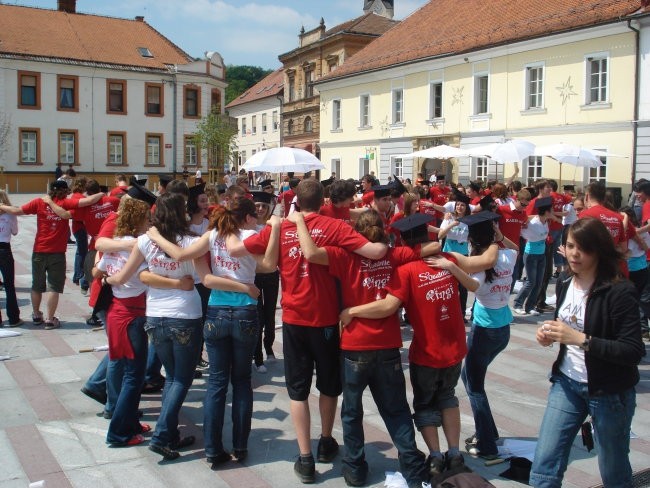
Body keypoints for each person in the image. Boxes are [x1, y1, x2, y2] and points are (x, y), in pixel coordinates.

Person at [229, 179, 388, 484]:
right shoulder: (335, 226)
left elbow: (235, 248)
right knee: (329, 386)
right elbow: (373, 252)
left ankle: (305, 458)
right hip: (327, 320)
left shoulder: (282, 227)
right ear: (322, 200)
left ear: (297, 202)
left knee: (297, 391)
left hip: (294, 321)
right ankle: (326, 441)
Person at [289, 209, 441, 488]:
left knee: (352, 412)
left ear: (356, 233)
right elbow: (433, 246)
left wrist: (299, 221)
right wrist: (394, 240)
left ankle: (355, 469)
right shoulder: (393, 255)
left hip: (354, 346)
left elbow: (309, 253)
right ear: (380, 232)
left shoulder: (343, 255)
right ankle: (413, 466)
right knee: (396, 410)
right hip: (388, 346)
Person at [339, 213, 484, 483]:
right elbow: (474, 277)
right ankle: (436, 457)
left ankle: (363, 467)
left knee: (356, 410)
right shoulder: (427, 259)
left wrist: (350, 311)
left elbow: (388, 305)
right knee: (419, 404)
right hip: (434, 348)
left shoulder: (396, 267)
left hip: (389, 348)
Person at [530, 218, 644, 487]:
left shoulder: (619, 291)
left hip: (609, 392)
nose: (574, 254)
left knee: (613, 471)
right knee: (544, 465)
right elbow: (565, 325)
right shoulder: (565, 281)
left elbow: (632, 350)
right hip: (567, 384)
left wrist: (581, 340)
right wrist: (548, 336)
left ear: (599, 250)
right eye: (569, 246)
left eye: (583, 248)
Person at [106, 193, 203, 460]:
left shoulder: (145, 241)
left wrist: (106, 278)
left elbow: (127, 276)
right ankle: (162, 435)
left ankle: (170, 435)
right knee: (180, 379)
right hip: (185, 314)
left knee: (172, 377)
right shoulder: (192, 241)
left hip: (155, 315)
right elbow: (200, 273)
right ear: (180, 213)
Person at [0, 181, 103, 329]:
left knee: (36, 285)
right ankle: (49, 319)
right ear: (64, 191)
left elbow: (17, 211)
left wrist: (1, 206)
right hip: (57, 252)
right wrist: (102, 193)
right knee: (54, 287)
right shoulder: (66, 203)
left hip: (39, 251)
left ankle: (36, 315)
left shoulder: (39, 202)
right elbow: (89, 200)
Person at [458, 212, 518, 460]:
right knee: (470, 377)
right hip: (503, 327)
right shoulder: (508, 255)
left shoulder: (481, 268)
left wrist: (452, 267)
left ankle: (487, 446)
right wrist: (500, 237)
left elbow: (472, 287)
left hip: (485, 330)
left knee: (474, 386)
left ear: (474, 240)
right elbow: (516, 248)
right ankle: (488, 432)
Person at [97, 198, 154, 447]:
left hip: (117, 313)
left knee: (128, 372)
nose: (150, 222)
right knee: (134, 376)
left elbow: (96, 272)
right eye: (147, 219)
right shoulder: (138, 248)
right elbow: (121, 276)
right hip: (131, 316)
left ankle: (129, 421)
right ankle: (119, 432)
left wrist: (107, 279)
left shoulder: (116, 244)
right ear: (139, 221)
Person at [251, 191, 280, 373]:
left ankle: (269, 348)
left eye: (264, 206)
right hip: (253, 276)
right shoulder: (248, 225)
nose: (261, 209)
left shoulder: (274, 225)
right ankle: (257, 356)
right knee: (257, 317)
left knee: (270, 315)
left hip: (271, 274)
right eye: (257, 206)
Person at [514, 196, 553, 316]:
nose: (553, 212)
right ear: (546, 212)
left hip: (542, 254)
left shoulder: (546, 221)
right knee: (531, 281)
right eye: (551, 210)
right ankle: (517, 304)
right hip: (530, 254)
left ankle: (530, 306)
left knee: (539, 282)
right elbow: (521, 231)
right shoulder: (533, 222)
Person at [0, 190, 22, 326]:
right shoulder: (10, 214)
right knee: (9, 285)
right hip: (4, 249)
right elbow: (15, 232)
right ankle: (13, 318)